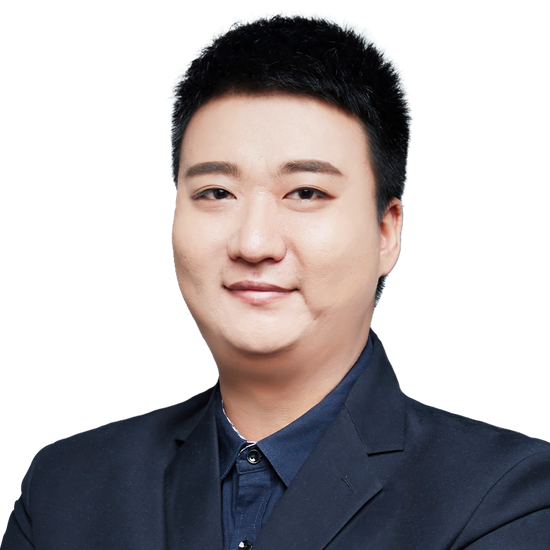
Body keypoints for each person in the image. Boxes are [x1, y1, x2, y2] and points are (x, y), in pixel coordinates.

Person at [2, 11, 549, 550]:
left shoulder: (507, 496)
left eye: (306, 192)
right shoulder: (63, 487)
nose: (254, 243)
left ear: (386, 232)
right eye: (216, 193)